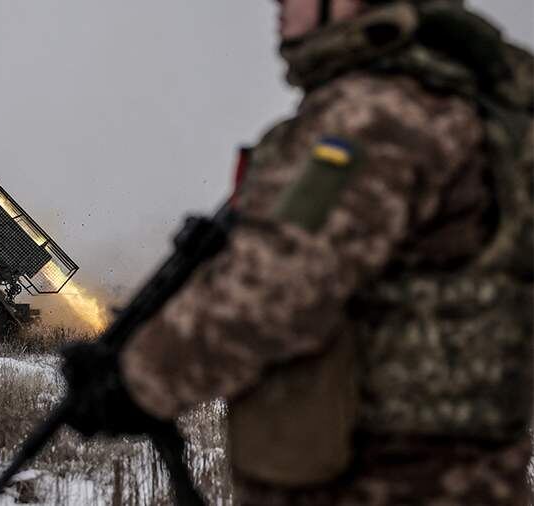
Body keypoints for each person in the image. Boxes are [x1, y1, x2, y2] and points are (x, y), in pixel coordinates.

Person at [61, 0, 534, 504]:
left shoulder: (374, 115)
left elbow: (278, 285)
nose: (279, 5)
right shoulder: (448, 101)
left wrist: (139, 378)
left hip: (378, 479)